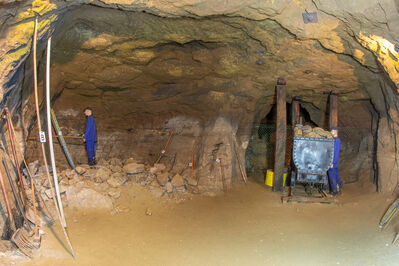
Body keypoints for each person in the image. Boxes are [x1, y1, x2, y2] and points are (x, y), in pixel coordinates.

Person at [328, 128, 342, 195]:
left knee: (331, 175)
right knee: (335, 174)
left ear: (335, 131)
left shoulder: (336, 140)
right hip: (335, 161)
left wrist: (332, 162)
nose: (331, 132)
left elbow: (335, 152)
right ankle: (339, 186)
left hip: (333, 161)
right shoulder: (335, 140)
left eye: (332, 131)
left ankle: (334, 191)